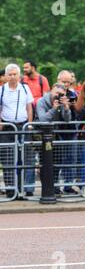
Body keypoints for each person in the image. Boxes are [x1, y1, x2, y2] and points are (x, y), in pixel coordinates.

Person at [0, 64, 34, 198]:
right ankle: (10, 189)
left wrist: (30, 124)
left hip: (23, 126)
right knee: (8, 159)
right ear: (6, 76)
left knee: (24, 159)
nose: (13, 77)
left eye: (15, 74)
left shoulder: (25, 88)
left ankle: (21, 189)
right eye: (10, 74)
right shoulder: (1, 90)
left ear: (19, 76)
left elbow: (29, 107)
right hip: (8, 127)